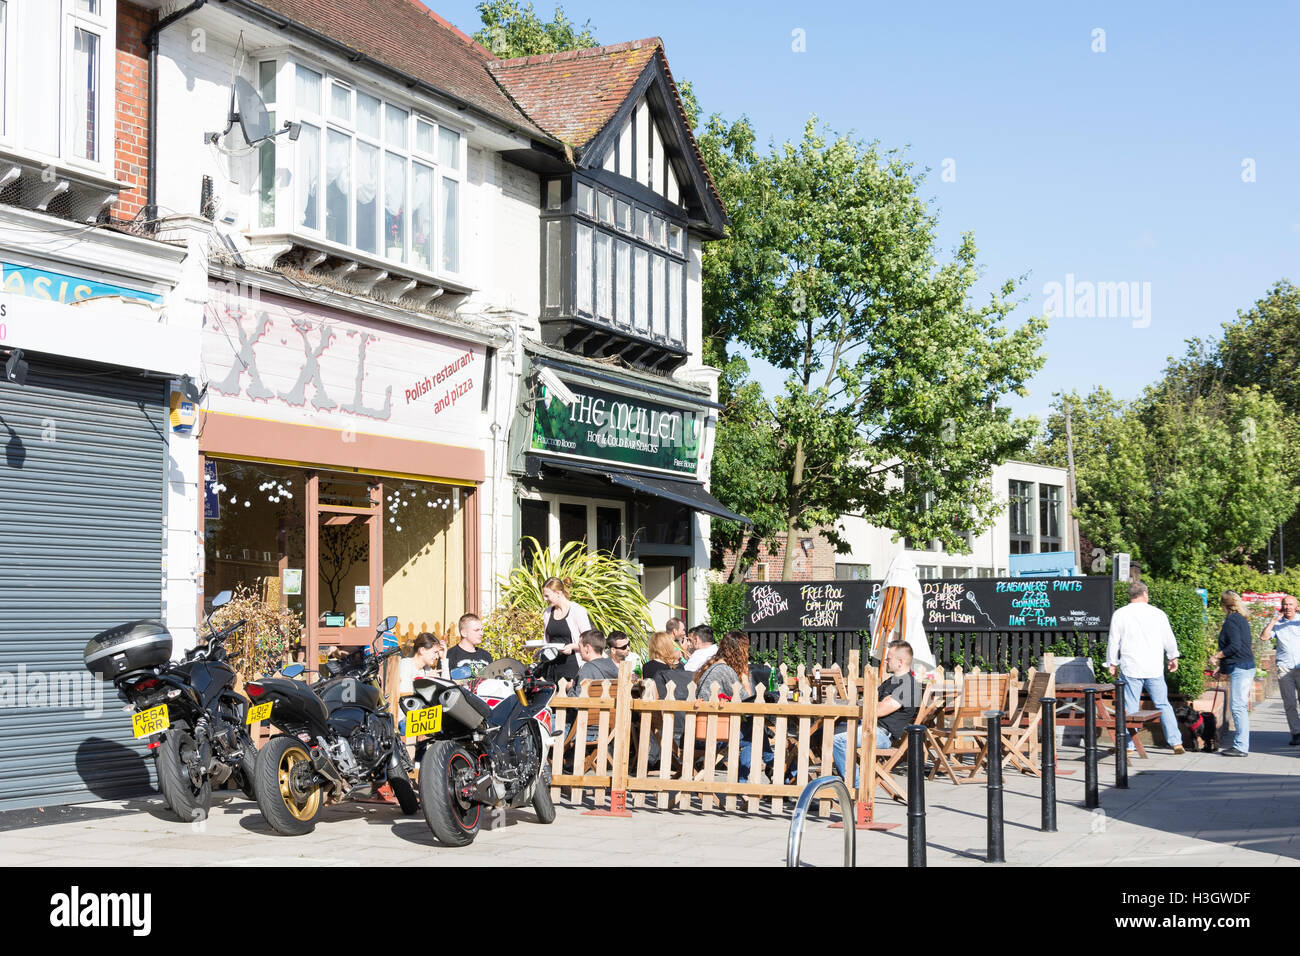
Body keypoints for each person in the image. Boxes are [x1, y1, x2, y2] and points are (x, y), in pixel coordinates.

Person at [1105, 581, 1184, 755]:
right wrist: (1173, 656)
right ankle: (1176, 742)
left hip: (1131, 666)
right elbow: (1168, 638)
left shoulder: (1120, 614)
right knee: (1163, 704)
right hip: (1154, 666)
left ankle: (1129, 745)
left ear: (1130, 595)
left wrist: (1112, 663)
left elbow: (1113, 641)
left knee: (1130, 706)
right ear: (1145, 594)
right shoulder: (1158, 614)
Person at [832, 641, 922, 785]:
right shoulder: (891, 681)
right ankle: (792, 779)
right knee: (819, 732)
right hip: (867, 726)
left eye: (889, 658)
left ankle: (856, 785)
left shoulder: (908, 685)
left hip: (881, 734)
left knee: (837, 739)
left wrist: (877, 704)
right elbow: (868, 700)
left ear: (900, 662)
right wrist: (878, 702)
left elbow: (877, 711)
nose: (885, 660)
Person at [1212, 590, 1255, 756]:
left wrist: (1217, 656)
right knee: (1239, 706)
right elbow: (1241, 647)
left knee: (1238, 707)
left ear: (1223, 605)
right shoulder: (1241, 619)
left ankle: (1241, 746)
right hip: (1245, 665)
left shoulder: (1231, 621)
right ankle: (1241, 744)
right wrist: (1221, 668)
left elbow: (1234, 647)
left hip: (1241, 667)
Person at [1262, 593, 1300, 745]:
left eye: (1291, 604)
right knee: (1289, 702)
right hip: (1284, 668)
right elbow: (1264, 637)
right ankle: (1296, 733)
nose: (1287, 607)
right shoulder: (1277, 624)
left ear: (1296, 607)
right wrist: (1272, 621)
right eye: (1285, 604)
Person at [541, 576, 592, 685]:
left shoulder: (577, 611)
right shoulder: (547, 613)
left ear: (558, 593)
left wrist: (572, 646)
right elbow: (547, 641)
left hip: (572, 666)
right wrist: (541, 649)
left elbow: (590, 642)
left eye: (547, 596)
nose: (545, 599)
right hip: (551, 667)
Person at [695, 629, 749, 699]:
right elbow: (746, 700)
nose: (747, 654)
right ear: (739, 652)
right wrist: (744, 678)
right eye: (746, 651)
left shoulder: (714, 665)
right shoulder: (724, 671)